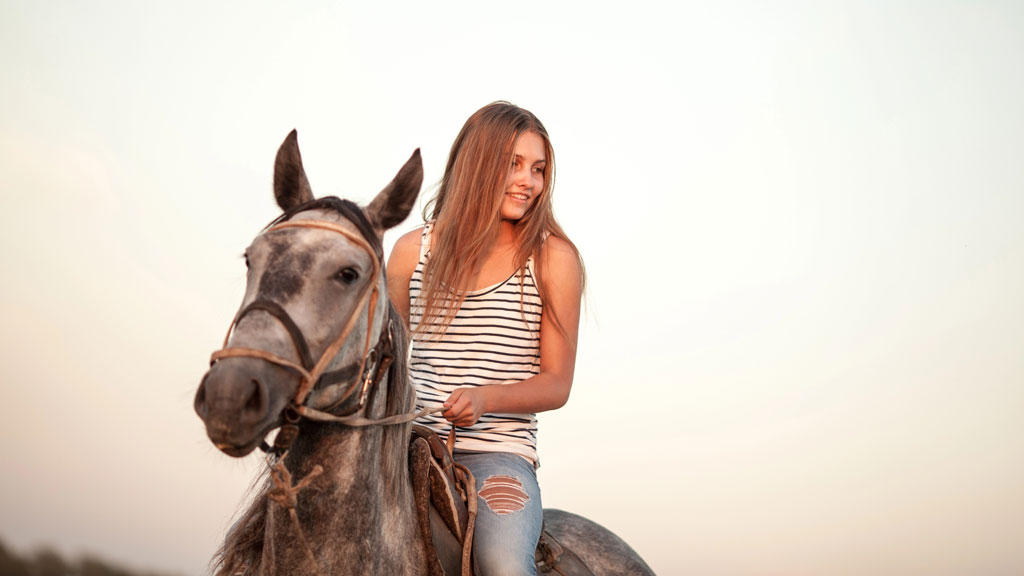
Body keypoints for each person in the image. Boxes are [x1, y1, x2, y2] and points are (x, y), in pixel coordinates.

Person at [387, 101, 584, 576]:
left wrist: (484, 397)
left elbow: (556, 384)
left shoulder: (552, 259)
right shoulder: (412, 252)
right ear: (476, 164)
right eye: (513, 164)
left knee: (503, 566)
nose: (528, 181)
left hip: (497, 454)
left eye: (538, 169)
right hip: (406, 443)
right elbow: (385, 362)